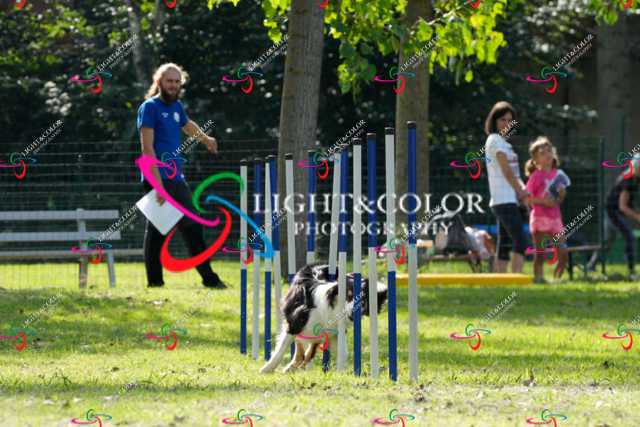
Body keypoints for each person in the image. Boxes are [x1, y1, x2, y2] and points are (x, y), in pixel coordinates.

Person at [137, 62, 226, 288]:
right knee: (158, 230)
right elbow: (147, 150)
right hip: (157, 178)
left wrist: (206, 139)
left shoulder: (177, 106)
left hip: (176, 178)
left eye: (177, 82)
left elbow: (187, 125)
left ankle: (209, 279)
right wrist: (158, 186)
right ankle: (155, 282)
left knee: (193, 226)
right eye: (169, 81)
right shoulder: (149, 108)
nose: (174, 85)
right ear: (159, 82)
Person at [484, 101, 527, 273]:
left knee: (505, 243)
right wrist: (522, 193)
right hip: (503, 200)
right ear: (494, 121)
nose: (507, 124)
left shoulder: (505, 143)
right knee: (521, 240)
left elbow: (515, 175)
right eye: (502, 120)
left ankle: (499, 280)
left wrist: (524, 193)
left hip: (509, 200)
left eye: (510, 120)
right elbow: (507, 172)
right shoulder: (494, 140)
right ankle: (516, 279)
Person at [524, 137, 569, 283]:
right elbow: (527, 199)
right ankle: (538, 278)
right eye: (542, 153)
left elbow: (559, 199)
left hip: (555, 218)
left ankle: (557, 279)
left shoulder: (558, 175)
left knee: (563, 252)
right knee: (540, 253)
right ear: (536, 160)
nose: (547, 154)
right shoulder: (535, 176)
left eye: (549, 151)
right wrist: (543, 201)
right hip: (539, 218)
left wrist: (561, 195)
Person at [605, 154, 640, 280]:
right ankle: (631, 271)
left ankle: (591, 266)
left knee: (608, 241)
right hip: (613, 212)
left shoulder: (634, 179)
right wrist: (637, 217)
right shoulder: (628, 180)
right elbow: (622, 206)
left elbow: (629, 203)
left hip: (614, 212)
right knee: (630, 237)